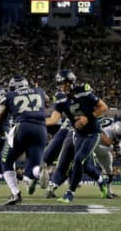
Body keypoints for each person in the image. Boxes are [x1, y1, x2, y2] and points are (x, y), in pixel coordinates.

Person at [45, 69, 108, 203]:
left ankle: (70, 193)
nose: (63, 87)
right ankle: (103, 182)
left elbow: (103, 107)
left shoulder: (83, 91)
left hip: (93, 133)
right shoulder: (61, 98)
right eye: (60, 84)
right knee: (85, 165)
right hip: (78, 134)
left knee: (79, 159)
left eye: (65, 84)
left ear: (72, 82)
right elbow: (54, 119)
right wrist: (35, 121)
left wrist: (87, 118)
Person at [0, 75, 48, 205]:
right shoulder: (39, 91)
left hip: (22, 127)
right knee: (34, 166)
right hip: (41, 129)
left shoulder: (10, 96)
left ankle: (16, 194)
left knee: (5, 160)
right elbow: (47, 100)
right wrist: (35, 91)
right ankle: (39, 173)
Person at [94, 117, 121, 198]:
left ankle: (108, 190)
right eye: (118, 136)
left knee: (109, 169)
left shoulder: (119, 133)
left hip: (104, 148)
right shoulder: (105, 130)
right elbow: (96, 148)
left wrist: (120, 152)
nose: (119, 138)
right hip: (93, 147)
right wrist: (112, 147)